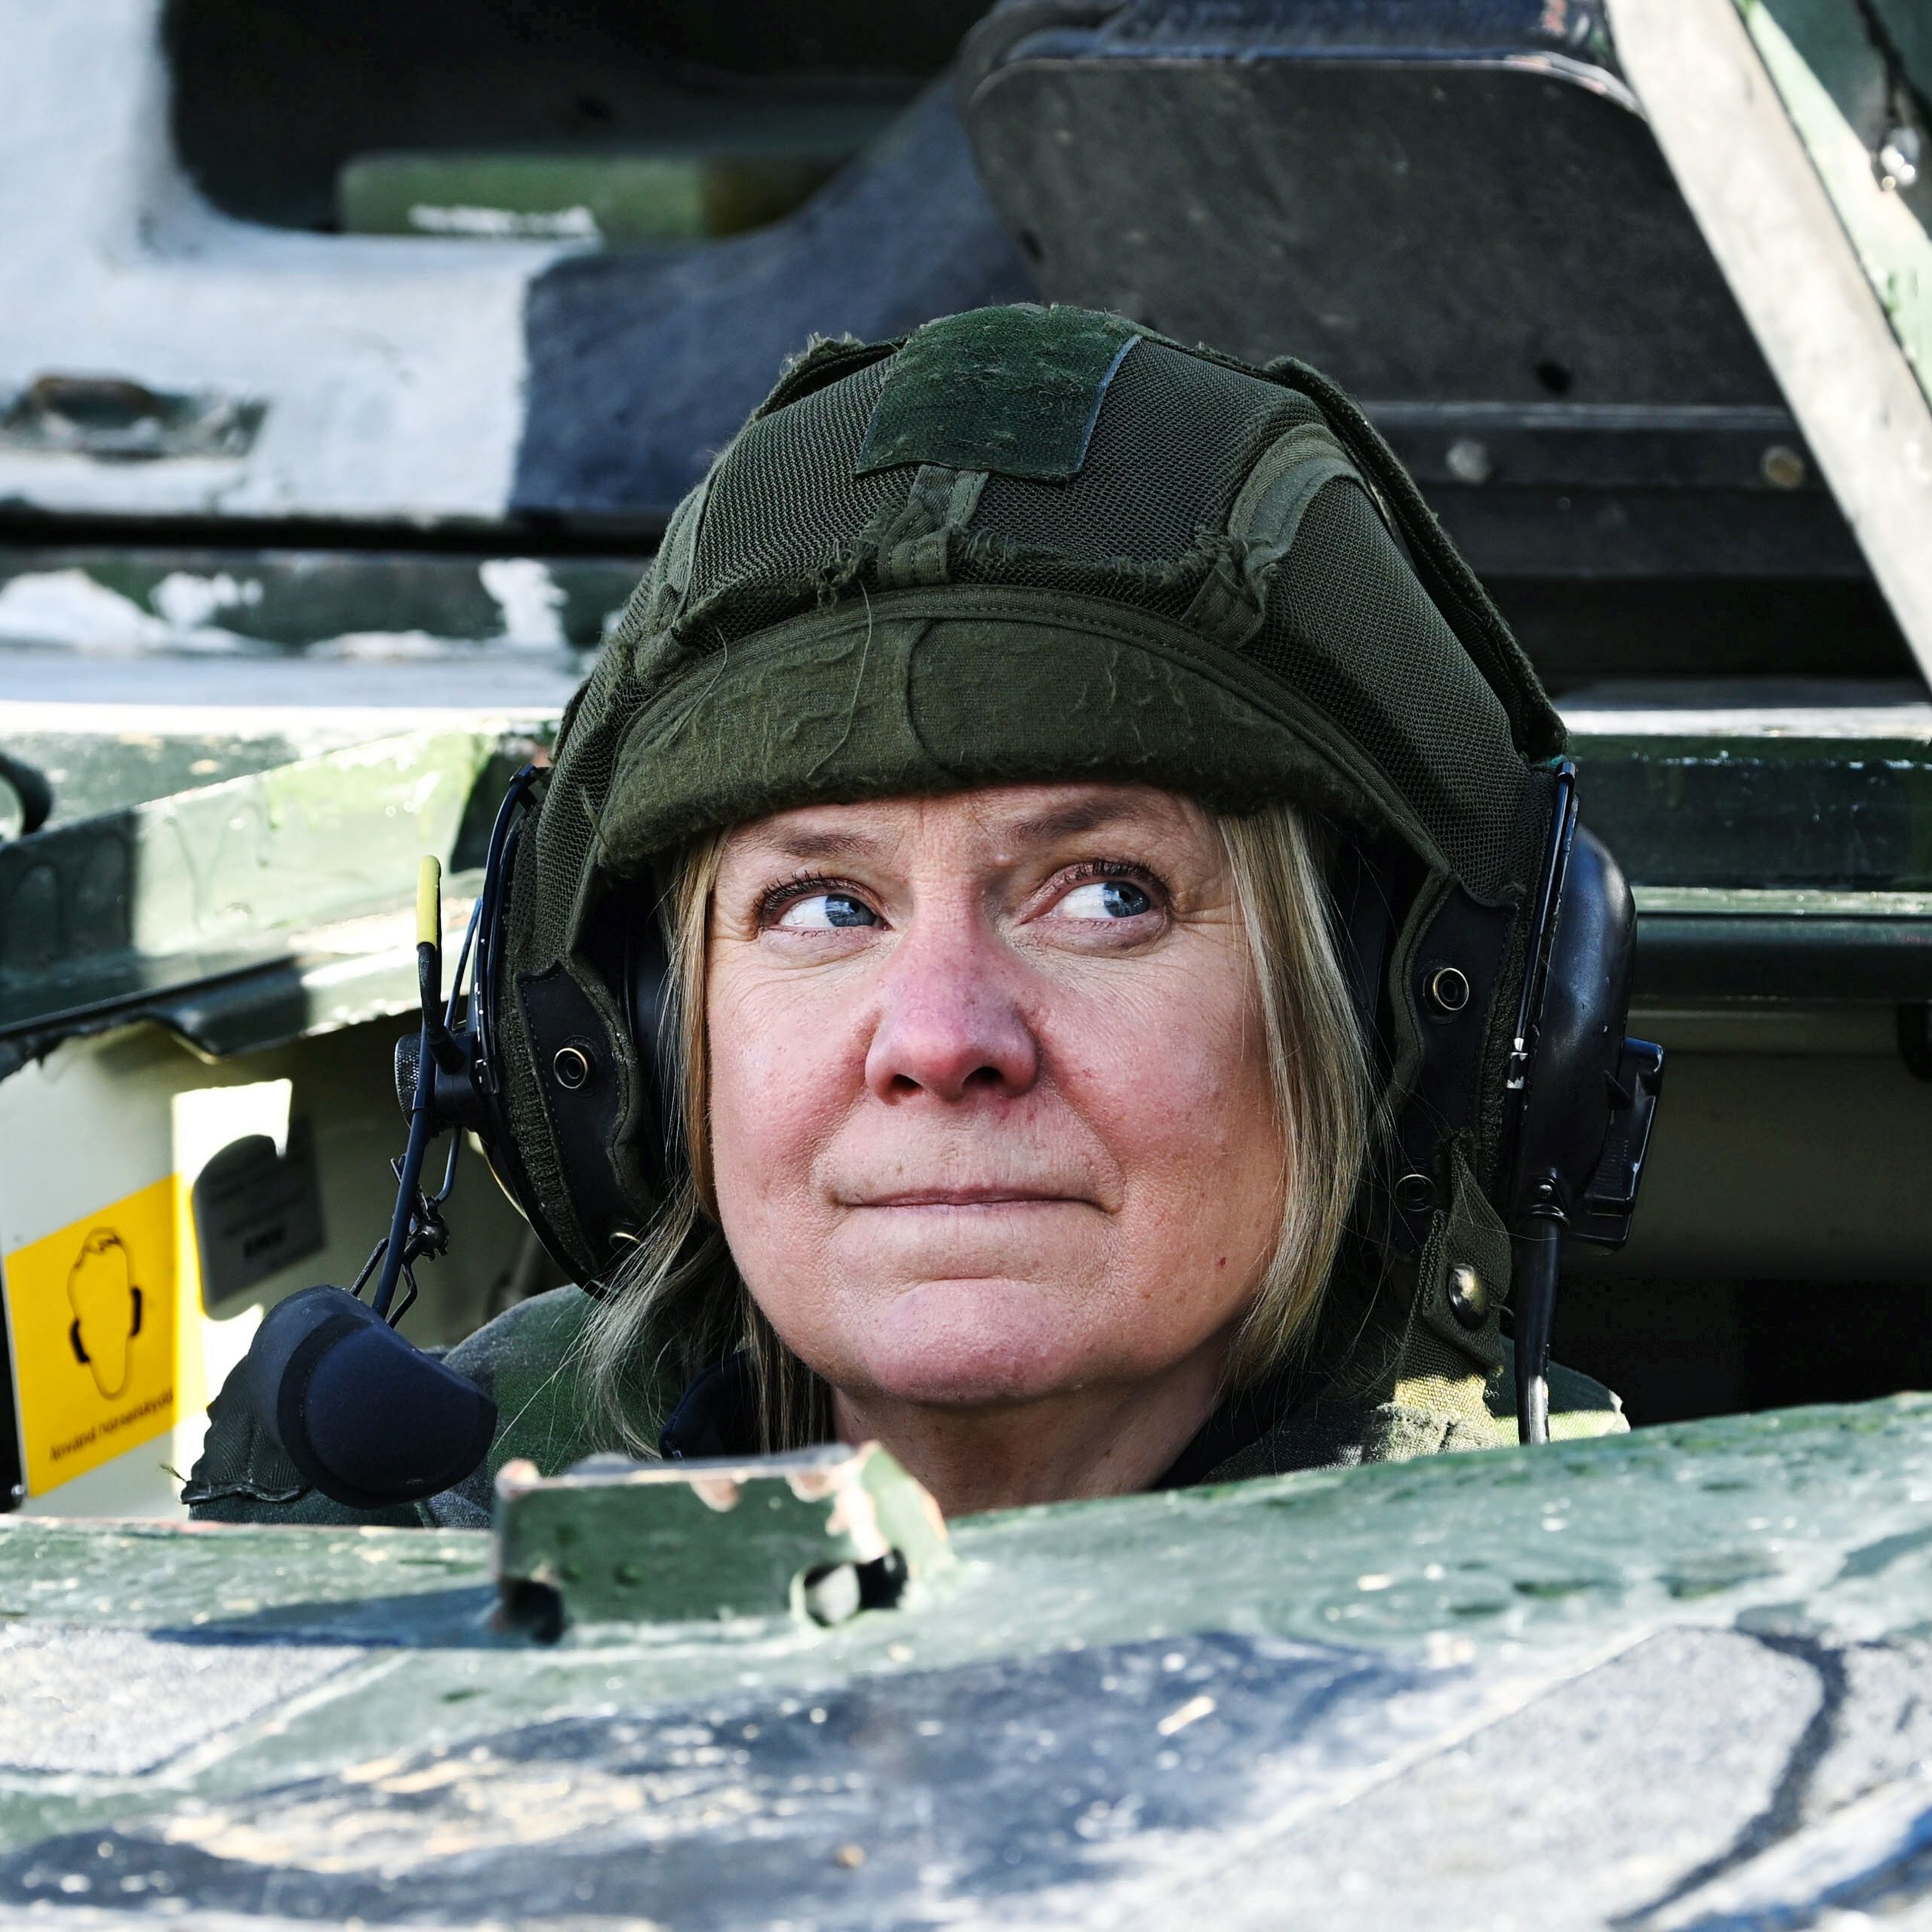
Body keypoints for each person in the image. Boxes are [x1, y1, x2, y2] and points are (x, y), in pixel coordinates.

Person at [186, 303, 1624, 1527]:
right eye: (824, 906)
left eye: (1107, 896)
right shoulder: (418, 1509)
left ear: (1385, 1026)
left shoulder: (1581, 1617)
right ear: (644, 1046)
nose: (939, 1041)